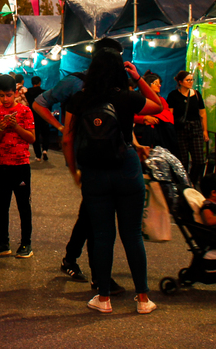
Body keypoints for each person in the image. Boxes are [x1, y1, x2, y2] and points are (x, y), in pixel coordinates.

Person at [62, 48, 161, 314]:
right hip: (127, 167)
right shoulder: (126, 98)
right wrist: (138, 78)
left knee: (103, 236)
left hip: (94, 171)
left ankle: (103, 298)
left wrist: (74, 172)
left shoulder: (79, 99)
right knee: (132, 235)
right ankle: (143, 299)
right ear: (120, 71)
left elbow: (67, 139)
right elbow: (159, 106)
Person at [32, 37, 129, 292]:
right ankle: (98, 277)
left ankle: (72, 259)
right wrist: (62, 129)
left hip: (110, 158)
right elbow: (40, 102)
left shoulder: (116, 85)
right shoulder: (76, 82)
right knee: (96, 217)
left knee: (90, 213)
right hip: (87, 158)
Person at [0, 74, 35, 259]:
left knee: (23, 205)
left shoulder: (25, 111)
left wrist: (16, 127)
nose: (5, 99)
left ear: (15, 93)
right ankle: (3, 243)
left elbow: (31, 138)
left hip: (20, 165)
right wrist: (1, 127)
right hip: (0, 165)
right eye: (1, 95)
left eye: (8, 95)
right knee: (1, 206)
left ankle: (26, 243)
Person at [167, 70, 209, 186]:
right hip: (180, 129)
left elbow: (202, 113)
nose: (190, 82)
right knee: (183, 160)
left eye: (191, 80)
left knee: (199, 160)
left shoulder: (196, 94)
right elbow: (170, 114)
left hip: (195, 127)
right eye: (188, 80)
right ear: (180, 82)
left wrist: (205, 130)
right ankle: (183, 184)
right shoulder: (173, 95)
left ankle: (192, 181)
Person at [133, 72, 177, 154]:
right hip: (141, 135)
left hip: (161, 136)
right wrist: (144, 118)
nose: (159, 85)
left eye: (159, 83)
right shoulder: (138, 100)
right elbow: (130, 116)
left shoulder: (162, 100)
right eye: (156, 83)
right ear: (148, 85)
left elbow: (168, 116)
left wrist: (156, 117)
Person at [25, 76, 48, 162]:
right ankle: (45, 150)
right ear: (39, 82)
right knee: (45, 134)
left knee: (35, 136)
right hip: (43, 116)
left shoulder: (27, 93)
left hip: (32, 116)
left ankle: (38, 155)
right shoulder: (44, 93)